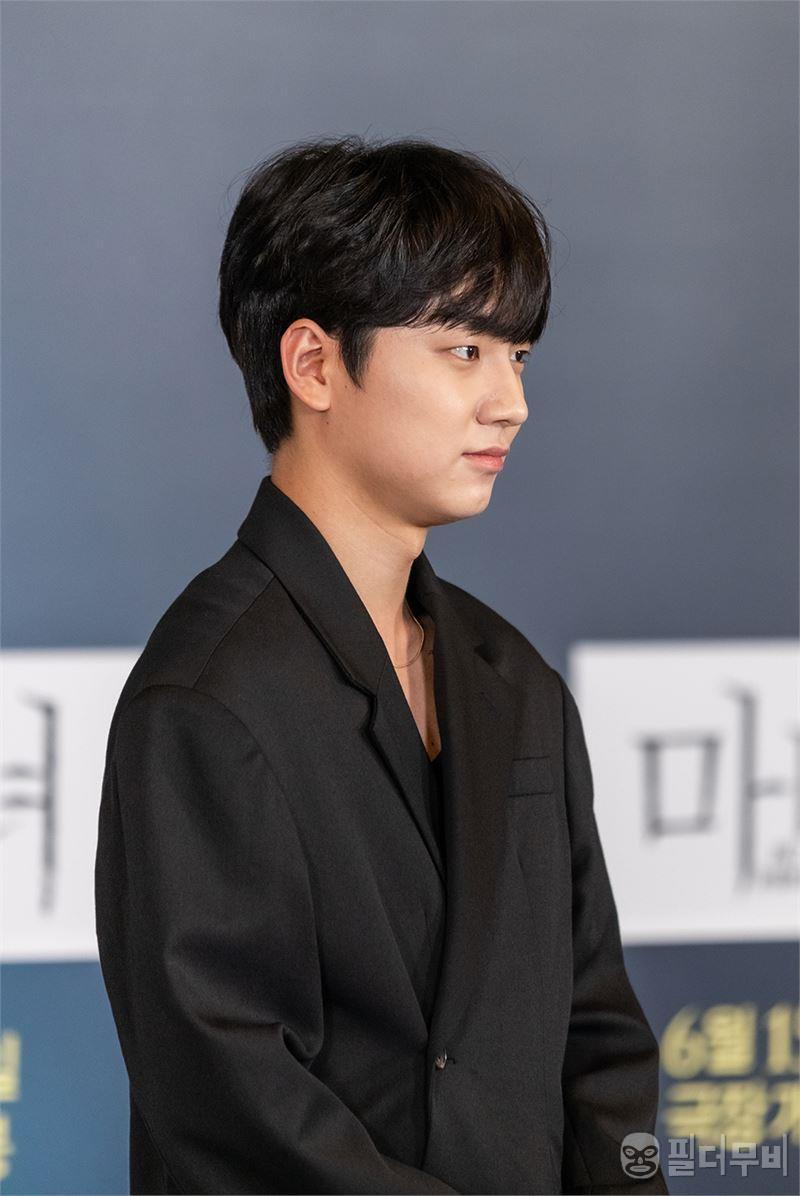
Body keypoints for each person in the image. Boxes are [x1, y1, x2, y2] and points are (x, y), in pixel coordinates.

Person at [95, 133, 669, 1195]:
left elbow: (599, 1036)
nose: (510, 401)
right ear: (314, 364)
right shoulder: (206, 700)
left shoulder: (513, 682)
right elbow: (235, 1108)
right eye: (464, 349)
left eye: (518, 355)